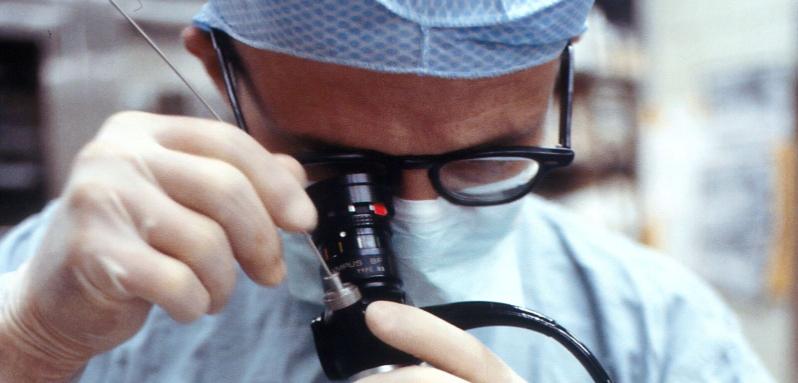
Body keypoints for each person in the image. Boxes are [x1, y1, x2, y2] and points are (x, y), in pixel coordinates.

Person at [0, 0, 775, 382]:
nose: (418, 225)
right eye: (340, 163)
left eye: (484, 161)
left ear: (563, 71)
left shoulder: (659, 331)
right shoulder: (71, 288)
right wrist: (30, 344)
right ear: (213, 70)